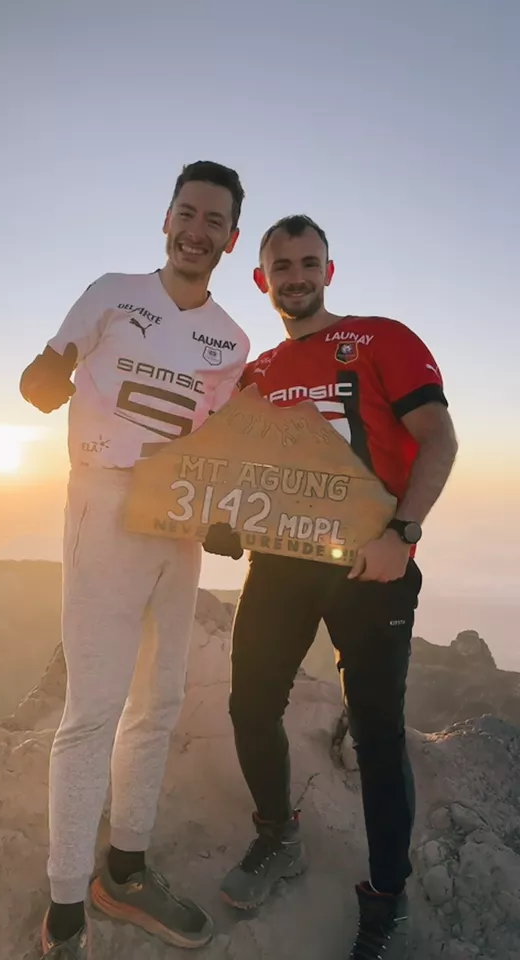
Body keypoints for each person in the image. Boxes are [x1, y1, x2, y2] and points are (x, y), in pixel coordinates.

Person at [205, 214, 458, 960]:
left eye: (308, 261)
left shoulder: (384, 339)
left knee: (378, 735)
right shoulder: (259, 374)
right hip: (281, 564)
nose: (295, 276)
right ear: (262, 279)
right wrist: (224, 521)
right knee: (250, 705)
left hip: (371, 567)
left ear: (329, 269)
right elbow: (241, 472)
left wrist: (402, 536)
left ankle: (385, 895)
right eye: (281, 265)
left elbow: (438, 437)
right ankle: (278, 837)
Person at [20, 161, 250, 959]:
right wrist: (41, 379)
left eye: (214, 220)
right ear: (166, 219)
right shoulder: (114, 293)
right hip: (105, 505)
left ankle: (124, 872)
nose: (197, 230)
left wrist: (221, 519)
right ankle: (64, 913)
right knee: (91, 712)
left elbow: (217, 449)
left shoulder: (233, 338)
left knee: (159, 702)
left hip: (177, 525)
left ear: (231, 237)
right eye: (187, 212)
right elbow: (49, 365)